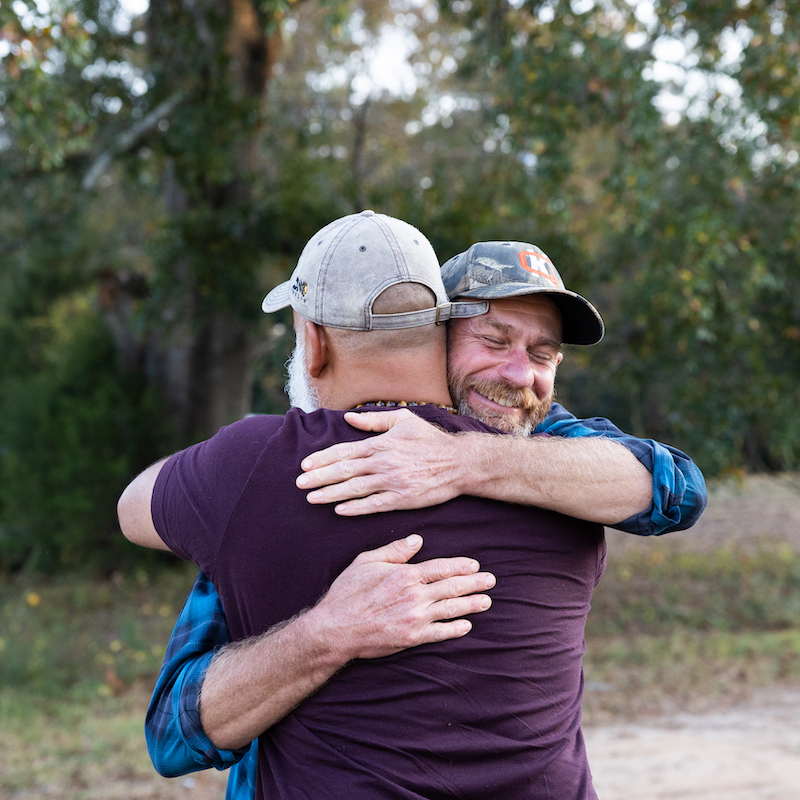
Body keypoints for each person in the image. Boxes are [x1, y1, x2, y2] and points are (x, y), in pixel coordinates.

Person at [141, 238, 707, 798]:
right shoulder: (296, 476)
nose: (518, 375)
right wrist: (326, 633)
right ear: (437, 333)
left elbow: (678, 489)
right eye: (494, 339)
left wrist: (466, 459)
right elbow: (175, 734)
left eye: (543, 355)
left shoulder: (547, 447)